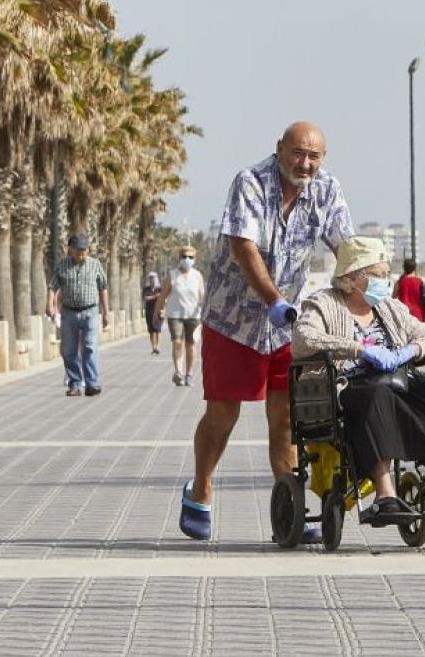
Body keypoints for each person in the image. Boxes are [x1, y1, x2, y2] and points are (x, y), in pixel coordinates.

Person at [179, 121, 353, 541]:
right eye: (297, 153)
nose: (304, 163)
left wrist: (365, 287)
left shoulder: (327, 190)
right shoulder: (251, 182)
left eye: (313, 156)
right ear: (279, 149)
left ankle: (287, 504)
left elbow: (345, 246)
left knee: (286, 416)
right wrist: (273, 299)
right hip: (233, 318)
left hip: (285, 325)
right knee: (224, 413)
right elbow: (244, 247)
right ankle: (201, 485)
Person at [292, 237, 425, 517]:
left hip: (396, 380)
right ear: (355, 277)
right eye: (380, 275)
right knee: (377, 395)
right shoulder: (324, 303)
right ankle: (385, 494)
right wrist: (359, 349)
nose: (386, 281)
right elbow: (303, 338)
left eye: (386, 274)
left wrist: (411, 350)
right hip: (350, 387)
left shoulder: (389, 308)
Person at [47, 235, 111, 397]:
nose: (82, 252)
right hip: (69, 313)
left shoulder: (95, 265)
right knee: (69, 350)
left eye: (84, 249)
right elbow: (53, 286)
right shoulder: (62, 266)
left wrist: (106, 313)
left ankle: (91, 383)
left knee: (90, 347)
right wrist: (50, 304)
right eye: (78, 249)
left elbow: (103, 288)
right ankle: (75, 384)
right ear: (70, 249)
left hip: (90, 312)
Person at [157, 245, 206, 386]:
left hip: (193, 315)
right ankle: (178, 371)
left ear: (195, 259)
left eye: (190, 257)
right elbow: (162, 296)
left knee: (191, 345)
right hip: (175, 314)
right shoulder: (172, 275)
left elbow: (202, 295)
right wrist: (157, 313)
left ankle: (189, 374)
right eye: (184, 256)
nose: (187, 259)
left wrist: (206, 312)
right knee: (177, 342)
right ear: (179, 258)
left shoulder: (197, 276)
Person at [392, 258, 425, 322]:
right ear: (414, 268)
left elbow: (393, 297)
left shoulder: (399, 282)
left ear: (404, 268)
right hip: (419, 313)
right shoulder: (420, 282)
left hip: (404, 313)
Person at [142, 271, 163, 355]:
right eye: (150, 278)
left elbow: (164, 298)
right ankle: (153, 347)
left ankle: (157, 346)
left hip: (159, 312)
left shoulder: (160, 289)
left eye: (153, 278)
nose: (152, 280)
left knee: (157, 329)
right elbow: (145, 298)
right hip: (149, 311)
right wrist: (155, 296)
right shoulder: (146, 289)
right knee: (151, 330)